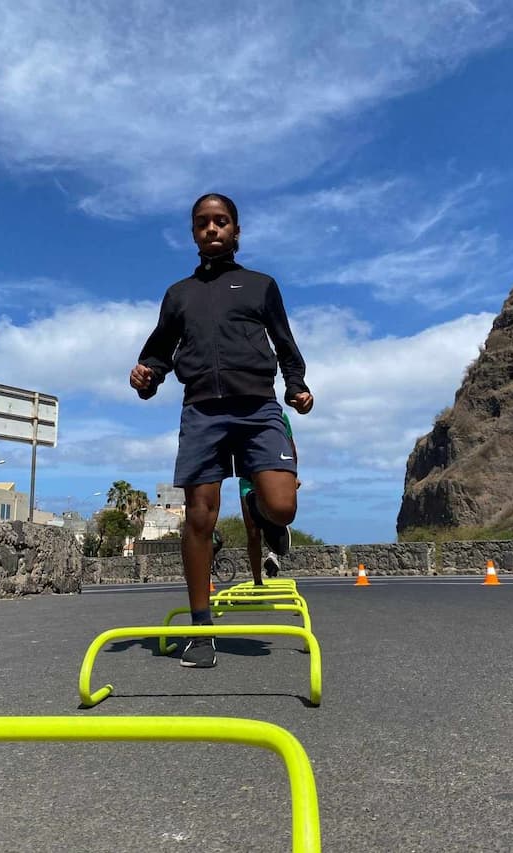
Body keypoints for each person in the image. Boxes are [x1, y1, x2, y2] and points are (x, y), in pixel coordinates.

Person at [130, 192, 314, 667]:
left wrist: (297, 385)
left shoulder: (261, 286)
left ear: (236, 230)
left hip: (258, 407)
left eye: (222, 221)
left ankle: (257, 503)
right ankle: (200, 629)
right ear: (194, 233)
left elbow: (285, 343)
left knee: (282, 506)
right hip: (202, 412)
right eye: (203, 223)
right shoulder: (178, 295)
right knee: (199, 518)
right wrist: (146, 377)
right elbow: (158, 352)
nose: (212, 229)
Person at [239, 411, 297, 583]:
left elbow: (291, 447)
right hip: (248, 478)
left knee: (279, 513)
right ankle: (258, 581)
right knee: (252, 532)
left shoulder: (279, 415)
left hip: (273, 472)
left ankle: (273, 551)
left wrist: (293, 476)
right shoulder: (236, 415)